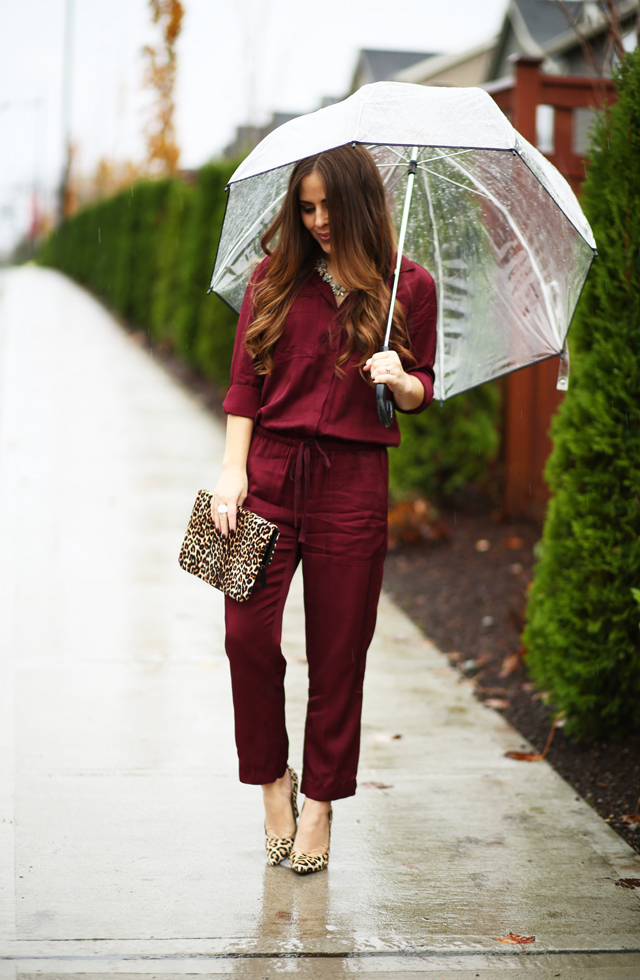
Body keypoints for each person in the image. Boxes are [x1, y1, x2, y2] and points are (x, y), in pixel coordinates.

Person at [211, 144, 437, 874]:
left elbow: (425, 387)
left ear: (361, 203)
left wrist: (401, 378)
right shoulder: (273, 278)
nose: (316, 222)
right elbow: (246, 383)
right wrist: (230, 471)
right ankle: (273, 779)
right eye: (304, 209)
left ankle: (320, 803)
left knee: (339, 653)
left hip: (353, 481)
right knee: (246, 637)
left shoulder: (410, 288)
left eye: (328, 208)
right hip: (269, 472)